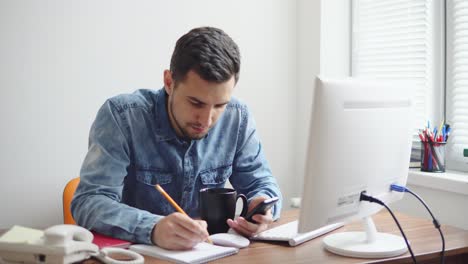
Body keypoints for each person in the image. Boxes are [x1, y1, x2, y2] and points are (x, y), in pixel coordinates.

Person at [71, 26, 283, 250]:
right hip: (139, 256)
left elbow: (263, 184)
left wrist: (262, 210)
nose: (207, 119)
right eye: (196, 103)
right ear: (169, 82)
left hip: (207, 254)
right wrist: (153, 228)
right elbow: (89, 202)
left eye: (220, 105)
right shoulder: (122, 117)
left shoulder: (237, 117)